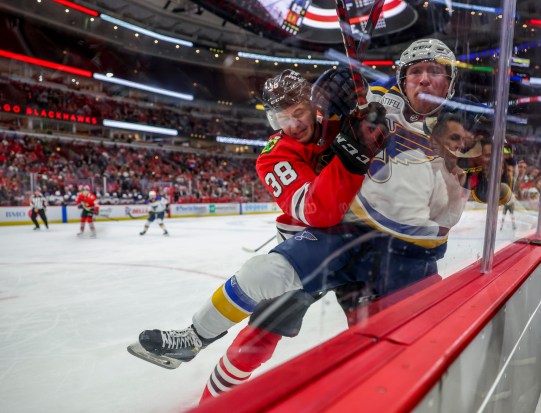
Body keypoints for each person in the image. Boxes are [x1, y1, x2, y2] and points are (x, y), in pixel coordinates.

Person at [129, 39, 484, 397]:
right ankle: (201, 358)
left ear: (314, 106)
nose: (294, 124)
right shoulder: (275, 155)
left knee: (381, 338)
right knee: (261, 325)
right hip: (316, 238)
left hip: (374, 246)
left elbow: (399, 110)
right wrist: (350, 155)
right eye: (281, 118)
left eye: (299, 111)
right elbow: (318, 212)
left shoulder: (346, 116)